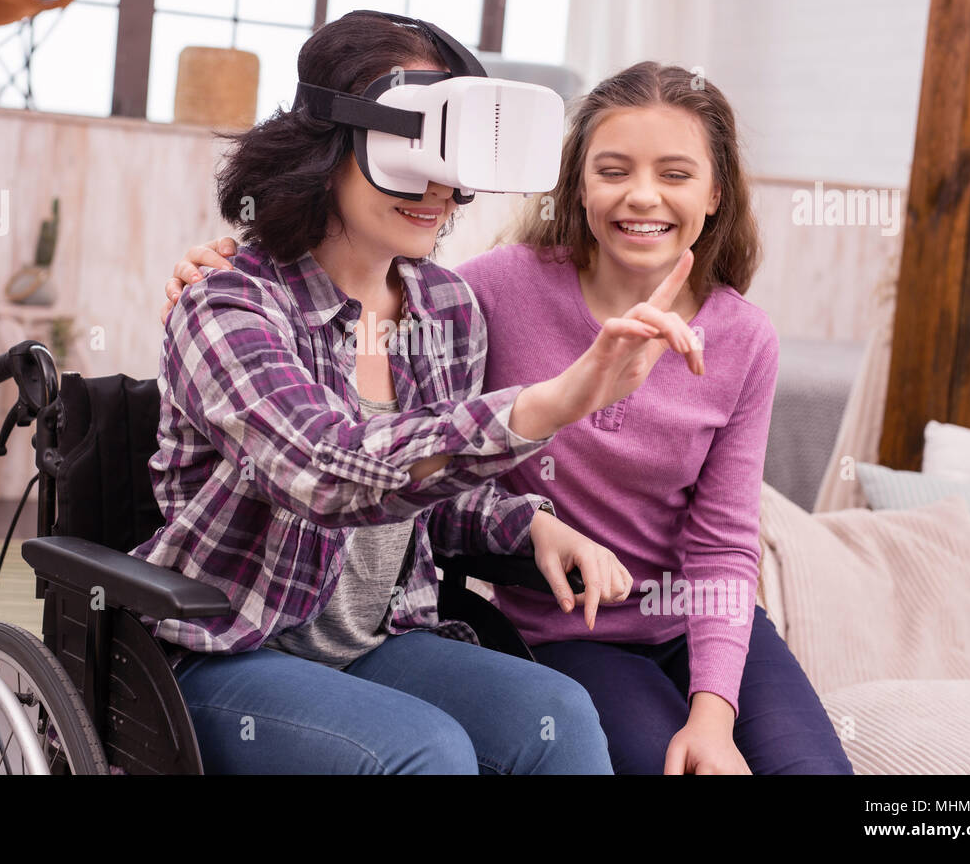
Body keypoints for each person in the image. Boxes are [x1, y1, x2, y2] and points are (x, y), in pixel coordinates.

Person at [164, 60, 854, 775]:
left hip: (663, 621)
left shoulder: (447, 308)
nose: (643, 195)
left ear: (717, 193)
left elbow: (721, 543)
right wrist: (209, 271)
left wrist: (712, 711)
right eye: (613, 170)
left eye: (676, 174)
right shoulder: (491, 290)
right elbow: (336, 453)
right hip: (559, 624)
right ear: (576, 186)